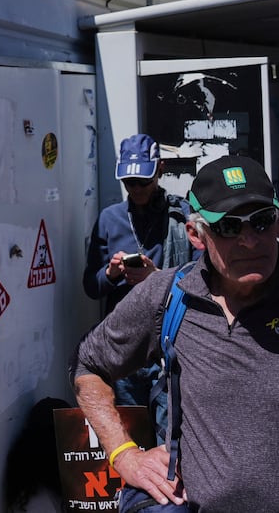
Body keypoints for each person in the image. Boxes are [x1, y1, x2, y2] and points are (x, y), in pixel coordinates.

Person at [72, 158, 279, 512]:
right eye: (228, 227)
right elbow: (88, 365)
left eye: (261, 221)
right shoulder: (167, 298)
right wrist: (124, 454)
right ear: (196, 235)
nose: (249, 240)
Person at [82, 133, 191, 438]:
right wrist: (112, 273)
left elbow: (201, 278)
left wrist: (157, 277)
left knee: (170, 437)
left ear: (160, 170)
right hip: (125, 348)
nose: (137, 189)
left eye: (143, 181)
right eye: (130, 182)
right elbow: (91, 286)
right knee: (133, 436)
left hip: (168, 344)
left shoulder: (180, 216)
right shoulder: (110, 219)